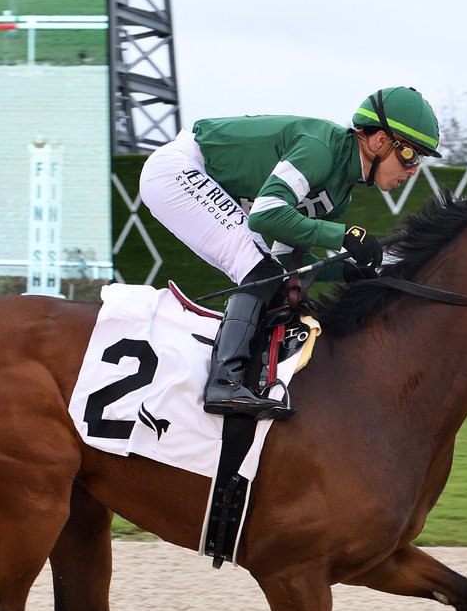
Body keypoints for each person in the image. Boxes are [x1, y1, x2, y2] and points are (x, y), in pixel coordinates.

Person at [139, 86, 441, 420]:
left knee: (270, 272)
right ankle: (225, 382)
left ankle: (243, 378)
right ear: (379, 140)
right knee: (258, 268)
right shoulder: (321, 149)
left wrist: (347, 271)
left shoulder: (340, 194)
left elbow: (287, 264)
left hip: (192, 178)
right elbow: (265, 215)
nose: (413, 170)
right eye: (411, 155)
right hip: (178, 170)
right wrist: (344, 234)